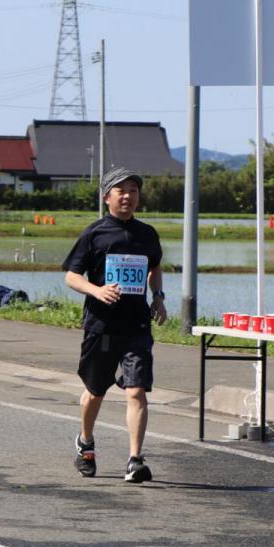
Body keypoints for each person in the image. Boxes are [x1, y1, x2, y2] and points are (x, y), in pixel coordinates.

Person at [62, 167, 166, 484]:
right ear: (107, 197)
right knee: (95, 392)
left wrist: (158, 297)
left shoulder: (147, 234)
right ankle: (85, 444)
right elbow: (71, 276)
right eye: (121, 191)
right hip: (101, 325)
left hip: (136, 326)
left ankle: (135, 460)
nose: (128, 196)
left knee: (137, 391)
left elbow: (155, 267)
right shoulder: (94, 233)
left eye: (133, 190)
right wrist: (97, 290)